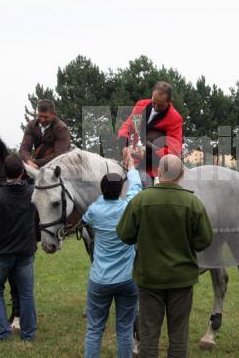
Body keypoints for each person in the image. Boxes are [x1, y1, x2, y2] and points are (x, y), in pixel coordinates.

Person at [117, 154, 213, 358]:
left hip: (149, 278)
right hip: (182, 279)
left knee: (148, 335)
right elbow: (204, 240)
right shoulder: (192, 202)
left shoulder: (140, 200)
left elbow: (125, 235)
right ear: (181, 174)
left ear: (158, 173)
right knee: (179, 336)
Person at [83, 149, 142, 358]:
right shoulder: (128, 207)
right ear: (120, 191)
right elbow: (136, 187)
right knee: (125, 330)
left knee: (94, 330)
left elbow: (85, 219)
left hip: (100, 279)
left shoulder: (94, 210)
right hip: (127, 279)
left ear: (102, 190)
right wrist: (132, 167)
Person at [0, 154, 38, 341]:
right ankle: (28, 333)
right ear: (22, 172)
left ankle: (2, 332)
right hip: (25, 252)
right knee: (26, 292)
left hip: (1, 252)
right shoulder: (32, 194)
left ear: (4, 172)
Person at [116, 82, 183, 186]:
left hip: (152, 169)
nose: (155, 107)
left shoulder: (175, 119)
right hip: (130, 159)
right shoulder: (141, 105)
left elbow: (173, 151)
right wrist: (124, 146)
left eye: (160, 105)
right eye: (153, 102)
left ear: (170, 101)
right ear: (152, 95)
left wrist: (146, 156)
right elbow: (127, 126)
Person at [19, 99, 72, 169]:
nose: (42, 120)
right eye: (40, 116)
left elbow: (60, 155)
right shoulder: (31, 125)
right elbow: (24, 149)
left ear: (53, 114)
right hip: (37, 163)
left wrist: (35, 163)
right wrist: (29, 161)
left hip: (60, 167)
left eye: (45, 117)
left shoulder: (61, 128)